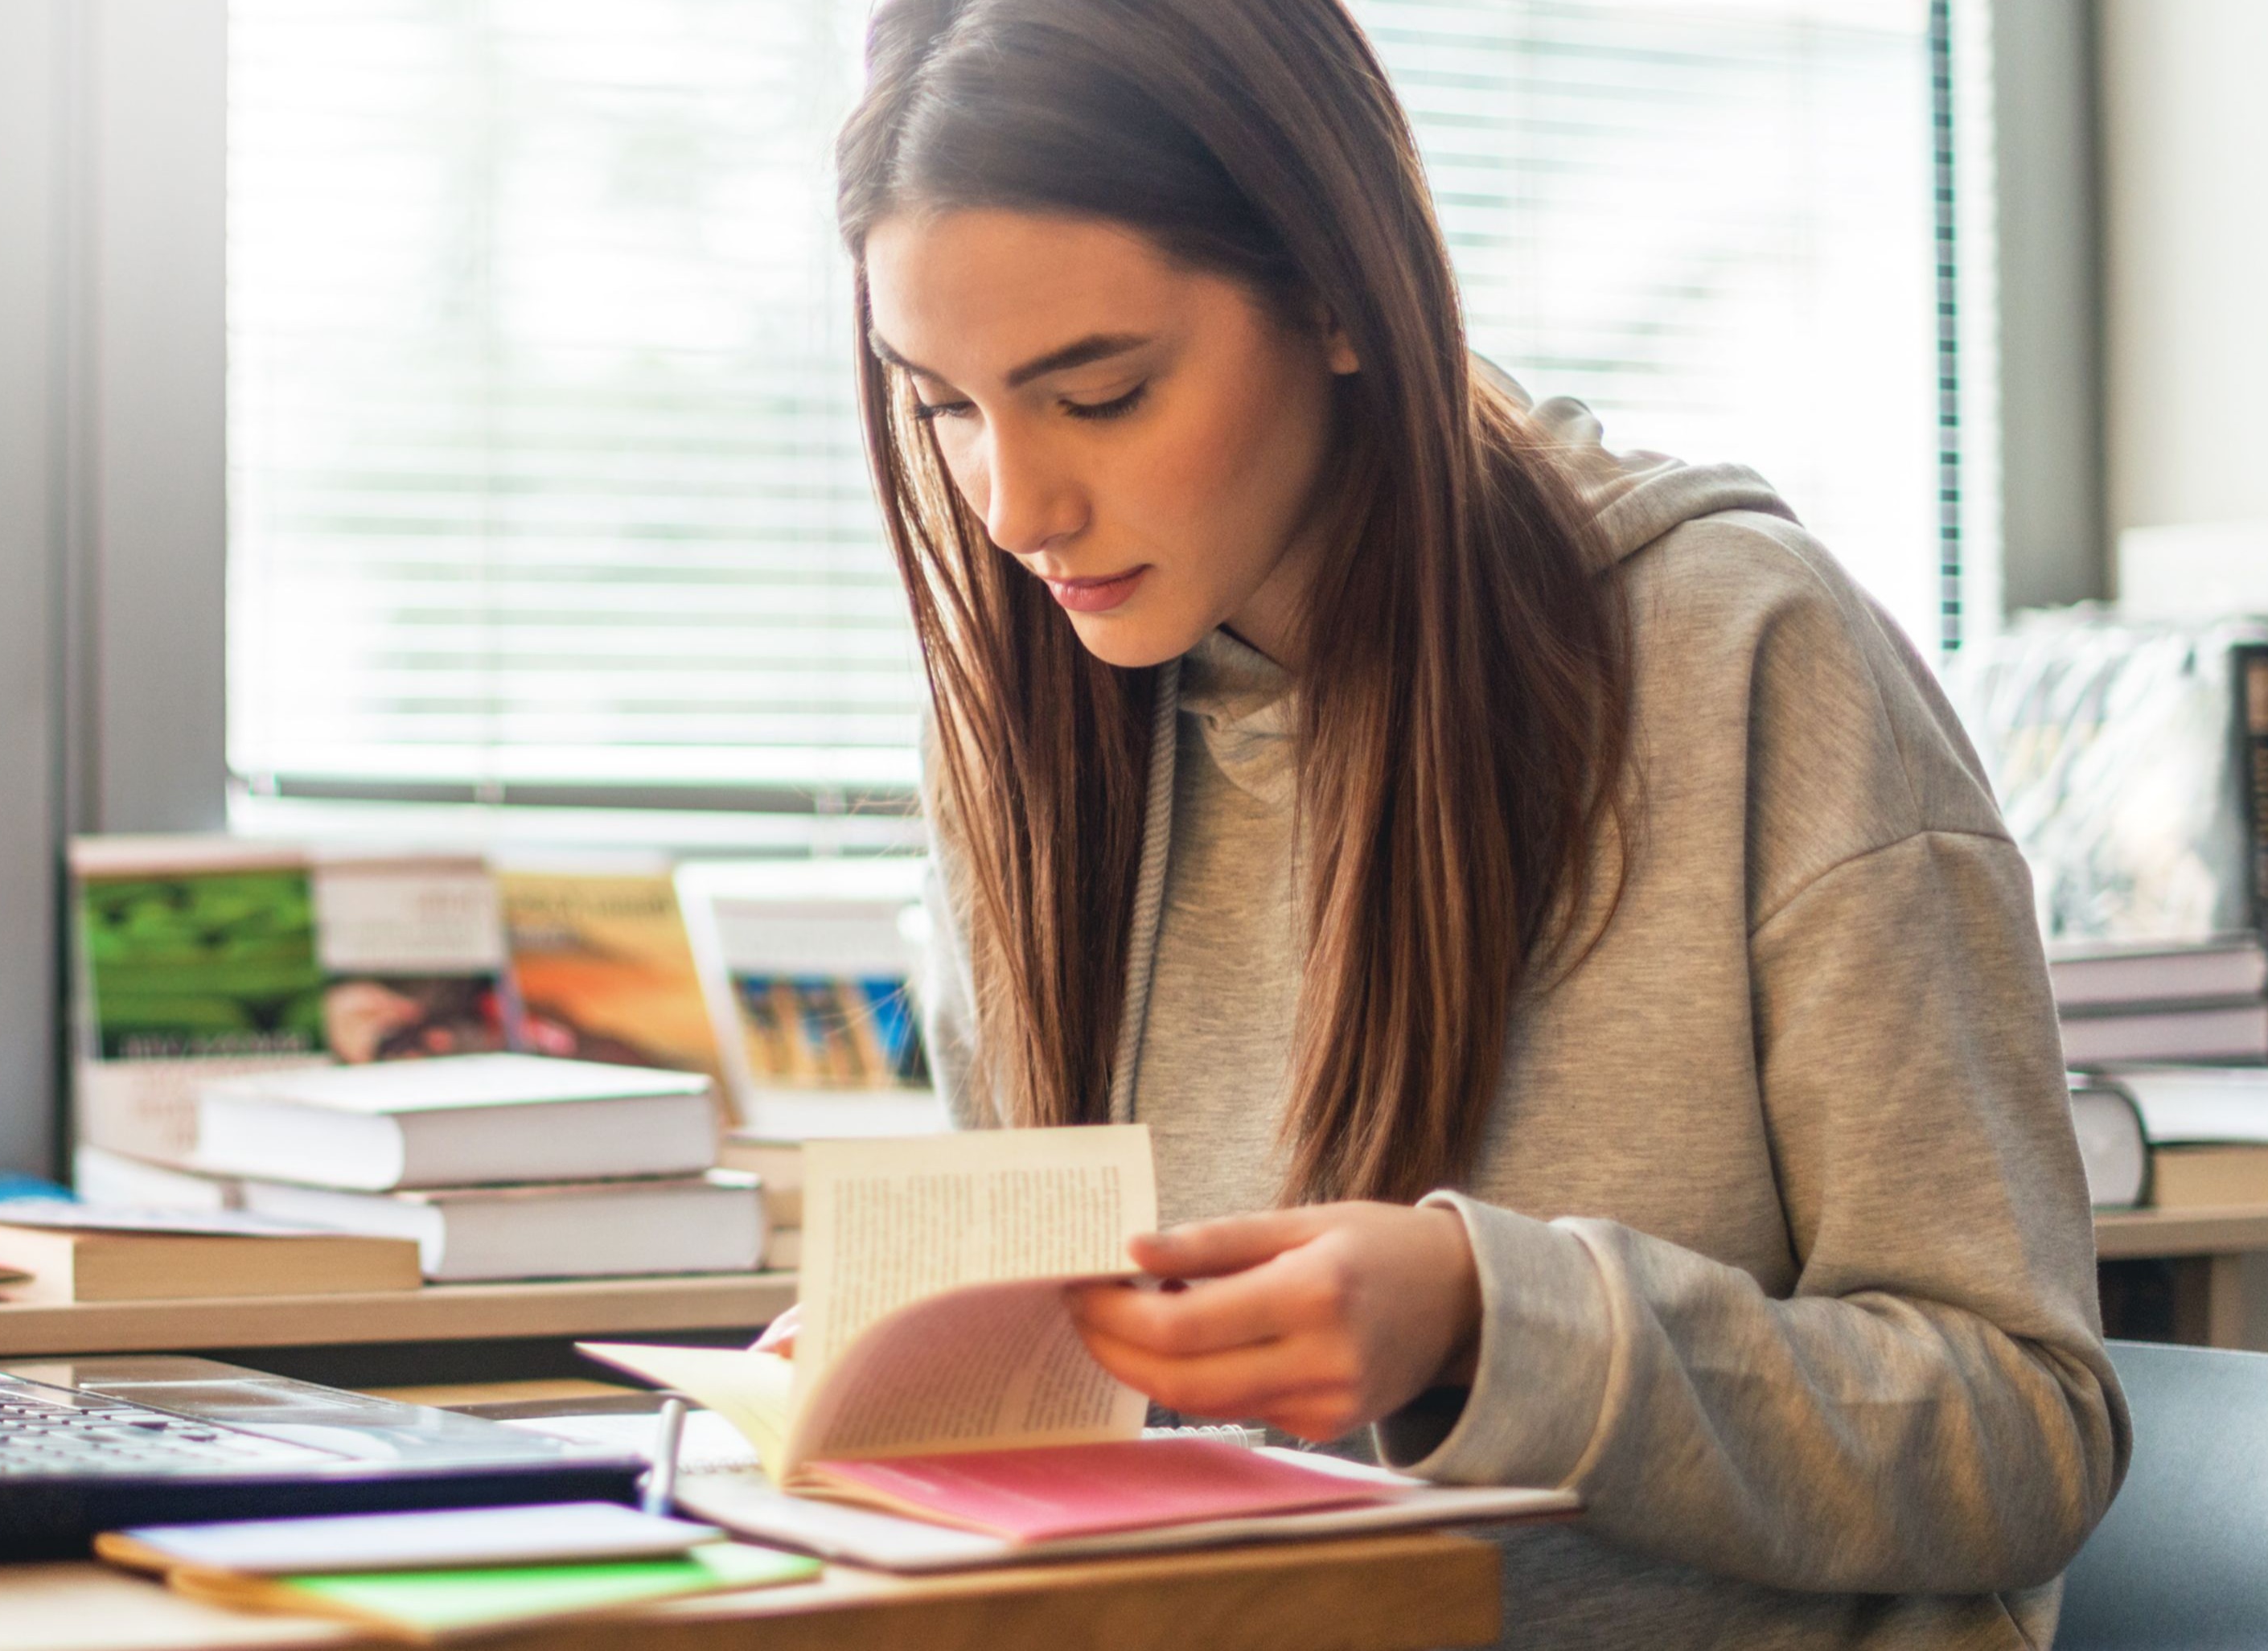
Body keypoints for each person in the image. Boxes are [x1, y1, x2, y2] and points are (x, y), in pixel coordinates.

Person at [766, 1, 2129, 1643]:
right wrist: (936, 1384)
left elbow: (2026, 1431)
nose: (1014, 507)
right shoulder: (1035, 731)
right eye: (943, 408)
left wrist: (1494, 1325)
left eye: (1102, 393)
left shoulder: (1743, 655)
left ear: (1340, 294)